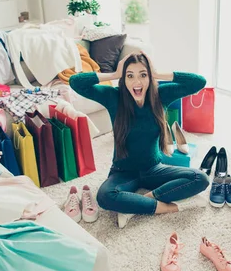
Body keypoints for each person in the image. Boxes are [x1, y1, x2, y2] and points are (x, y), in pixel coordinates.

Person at [70, 53, 209, 228]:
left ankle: (136, 206)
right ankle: (169, 208)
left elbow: (198, 82)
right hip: (123, 172)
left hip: (154, 169)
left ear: (149, 77)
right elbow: (76, 82)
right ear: (124, 78)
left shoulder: (160, 95)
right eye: (130, 76)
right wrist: (113, 75)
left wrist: (157, 74)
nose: (137, 82)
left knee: (200, 178)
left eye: (143, 75)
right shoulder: (114, 97)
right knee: (105, 196)